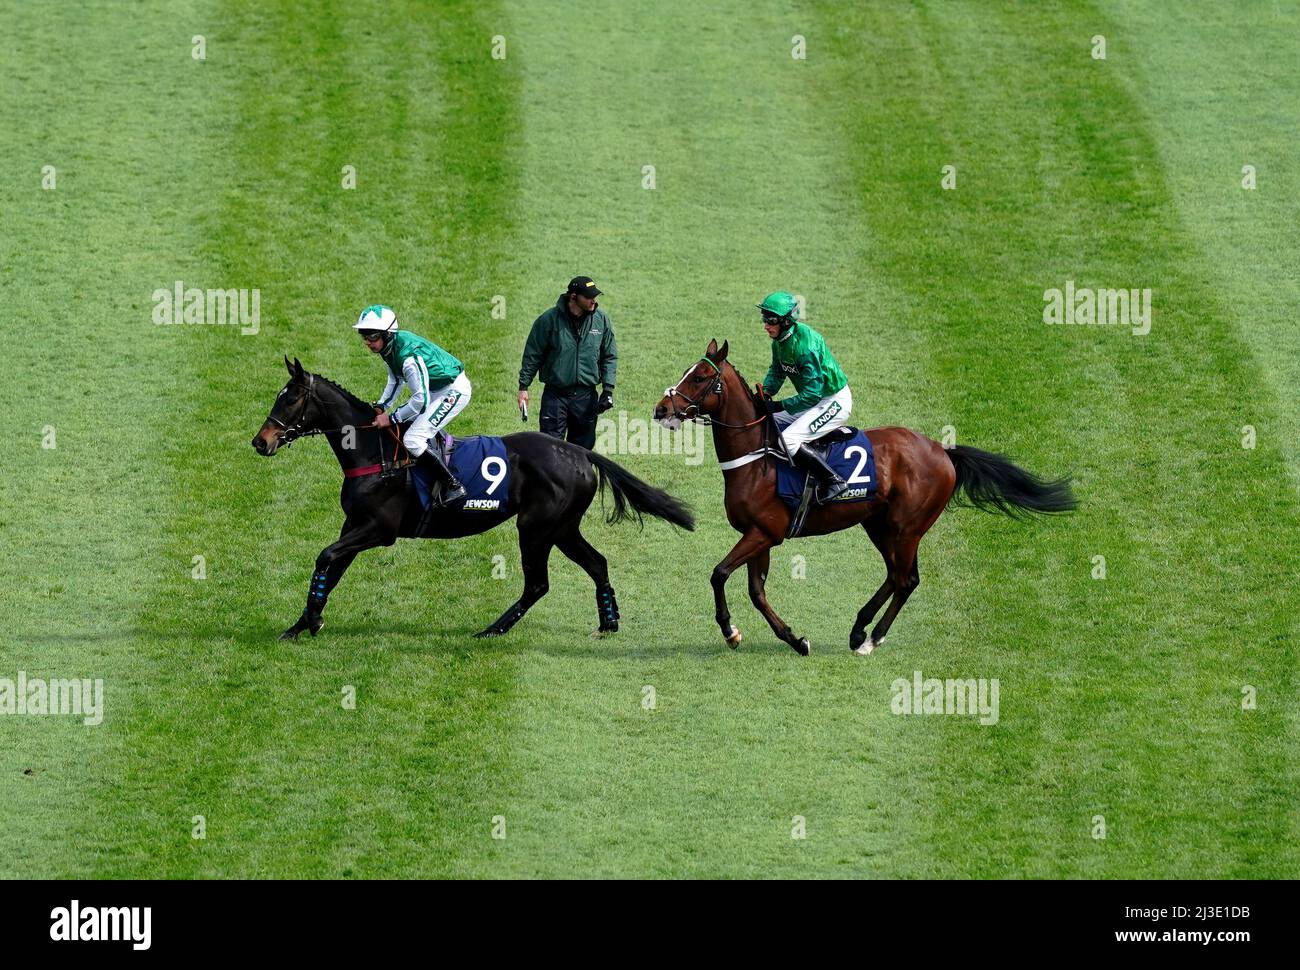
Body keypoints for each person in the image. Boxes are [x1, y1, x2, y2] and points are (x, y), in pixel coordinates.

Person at [354, 304, 469, 518]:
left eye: (372, 336)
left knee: (413, 439)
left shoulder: (407, 357)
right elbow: (394, 379)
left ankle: (453, 485)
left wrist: (391, 417)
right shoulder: (389, 347)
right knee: (407, 427)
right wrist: (381, 405)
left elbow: (420, 401)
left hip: (454, 390)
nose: (368, 342)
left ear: (388, 334)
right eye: (364, 336)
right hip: (437, 389)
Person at [757, 290, 852, 501]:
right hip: (816, 400)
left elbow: (811, 394)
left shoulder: (805, 348)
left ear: (786, 321)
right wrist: (766, 392)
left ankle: (833, 480)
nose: (766, 325)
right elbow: (778, 370)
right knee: (766, 421)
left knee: (788, 441)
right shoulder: (780, 341)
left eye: (771, 320)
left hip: (833, 401)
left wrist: (779, 405)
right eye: (764, 319)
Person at [517, 276, 617, 449]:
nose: (594, 300)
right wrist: (523, 387)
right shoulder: (548, 320)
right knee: (549, 450)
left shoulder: (601, 320)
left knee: (582, 452)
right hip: (555, 397)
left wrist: (608, 390)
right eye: (588, 297)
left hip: (586, 398)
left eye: (595, 296)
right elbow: (533, 355)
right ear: (573, 297)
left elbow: (609, 356)